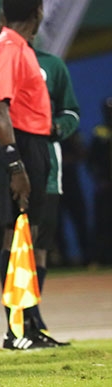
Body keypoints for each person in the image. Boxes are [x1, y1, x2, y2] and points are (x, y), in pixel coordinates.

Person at [0, 0, 74, 349]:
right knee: (15, 235)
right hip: (17, 143)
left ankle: (29, 325)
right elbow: (0, 110)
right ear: (38, 12)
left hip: (30, 143)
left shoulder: (18, 49)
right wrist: (16, 165)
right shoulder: (7, 47)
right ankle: (16, 329)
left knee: (27, 236)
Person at [89, 98, 112, 266]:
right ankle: (101, 258)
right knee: (103, 222)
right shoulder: (100, 132)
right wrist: (100, 179)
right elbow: (91, 161)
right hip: (104, 186)